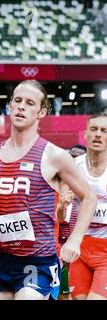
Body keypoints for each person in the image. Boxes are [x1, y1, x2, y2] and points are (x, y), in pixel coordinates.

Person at [0, 80, 97, 300]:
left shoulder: (53, 155)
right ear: (9, 106)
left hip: (38, 260)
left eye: (29, 103)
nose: (21, 107)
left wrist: (75, 240)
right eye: (17, 101)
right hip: (1, 259)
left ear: (41, 112)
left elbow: (89, 197)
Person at [69, 113, 107, 300]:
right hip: (81, 247)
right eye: (94, 129)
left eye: (104, 130)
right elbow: (60, 213)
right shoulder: (73, 167)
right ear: (85, 134)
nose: (98, 134)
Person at [55, 144, 87, 300]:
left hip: (80, 252)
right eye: (70, 159)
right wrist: (60, 207)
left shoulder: (89, 192)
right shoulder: (53, 185)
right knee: (60, 295)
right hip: (56, 251)